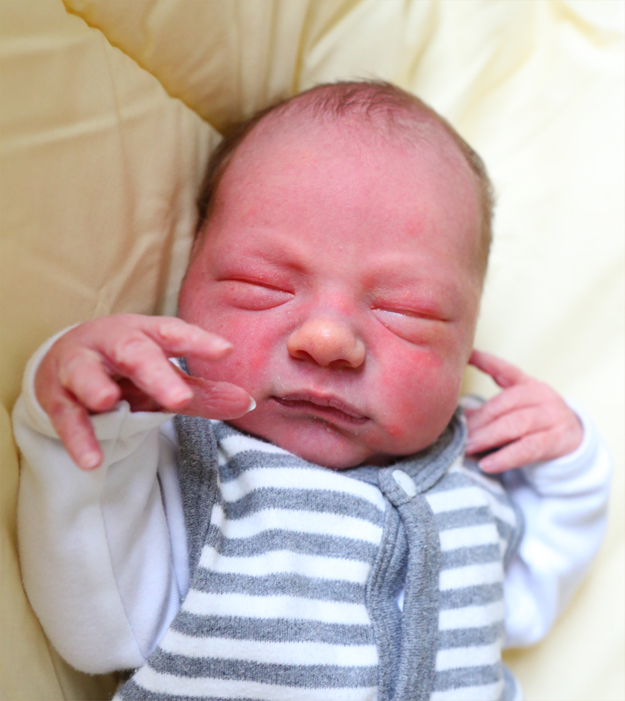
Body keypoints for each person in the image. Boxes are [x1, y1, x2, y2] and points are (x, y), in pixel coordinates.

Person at [13, 82, 610, 701]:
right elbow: (92, 621)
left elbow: (531, 598)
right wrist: (94, 416)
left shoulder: (475, 472)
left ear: (466, 341)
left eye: (409, 312)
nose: (327, 339)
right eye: (261, 284)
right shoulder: (189, 471)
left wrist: (572, 468)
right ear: (189, 280)